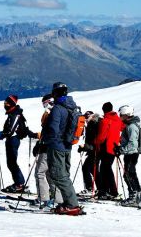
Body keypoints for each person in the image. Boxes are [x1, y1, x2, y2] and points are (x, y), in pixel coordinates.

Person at [42, 82, 84, 215]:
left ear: (55, 93)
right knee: (64, 174)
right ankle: (68, 202)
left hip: (56, 146)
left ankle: (72, 204)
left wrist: (44, 142)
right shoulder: (72, 107)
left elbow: (53, 129)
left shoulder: (57, 109)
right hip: (67, 145)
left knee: (58, 175)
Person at [0, 94, 38, 193]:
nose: (5, 104)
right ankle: (19, 183)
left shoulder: (15, 115)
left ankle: (19, 184)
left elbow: (11, 131)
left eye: (7, 102)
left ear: (11, 104)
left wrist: (0, 135)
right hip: (13, 139)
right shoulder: (15, 113)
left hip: (13, 140)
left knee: (12, 163)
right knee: (11, 163)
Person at [32, 94, 63, 208]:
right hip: (57, 147)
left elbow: (46, 132)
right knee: (51, 173)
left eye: (44, 103)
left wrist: (39, 145)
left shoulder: (49, 114)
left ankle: (43, 199)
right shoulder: (60, 112)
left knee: (40, 172)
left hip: (47, 147)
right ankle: (57, 199)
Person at [116, 105, 141, 207]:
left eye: (121, 115)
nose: (120, 117)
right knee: (131, 174)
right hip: (130, 153)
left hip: (131, 154)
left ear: (126, 115)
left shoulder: (131, 127)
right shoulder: (130, 125)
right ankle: (138, 197)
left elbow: (132, 144)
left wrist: (121, 150)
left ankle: (134, 198)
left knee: (129, 174)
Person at [94, 102, 123, 200]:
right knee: (107, 168)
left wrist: (96, 142)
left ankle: (109, 191)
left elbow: (102, 136)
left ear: (104, 110)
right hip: (114, 147)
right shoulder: (118, 120)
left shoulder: (105, 120)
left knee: (105, 169)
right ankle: (110, 191)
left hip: (106, 147)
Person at [77, 111, 101, 197]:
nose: (85, 119)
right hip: (94, 150)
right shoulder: (92, 124)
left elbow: (94, 140)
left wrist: (85, 147)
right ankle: (100, 189)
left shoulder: (93, 124)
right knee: (92, 169)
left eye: (87, 117)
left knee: (86, 168)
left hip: (95, 150)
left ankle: (90, 188)